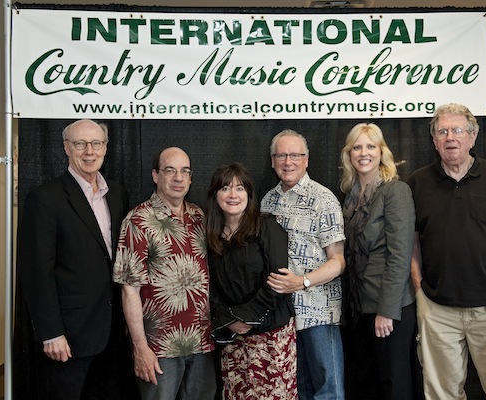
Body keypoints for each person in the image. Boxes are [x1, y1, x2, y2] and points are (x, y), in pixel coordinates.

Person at [408, 103, 486, 400]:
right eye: (443, 131)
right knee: (441, 395)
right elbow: (411, 243)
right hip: (438, 311)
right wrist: (420, 292)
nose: (450, 137)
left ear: (473, 137)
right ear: (434, 141)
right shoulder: (418, 182)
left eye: (458, 130)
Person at [17, 119, 133, 400]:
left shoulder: (117, 194)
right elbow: (36, 273)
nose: (89, 151)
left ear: (106, 148)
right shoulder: (45, 198)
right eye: (80, 143)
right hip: (69, 337)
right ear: (66, 148)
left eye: (96, 143)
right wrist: (51, 332)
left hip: (112, 333)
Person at [113, 147, 216, 400]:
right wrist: (140, 348)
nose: (178, 178)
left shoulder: (199, 216)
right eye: (170, 170)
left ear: (191, 178)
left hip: (202, 343)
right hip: (159, 349)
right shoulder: (138, 221)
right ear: (155, 175)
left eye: (184, 171)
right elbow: (129, 290)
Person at [261, 129, 346, 400]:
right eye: (282, 155)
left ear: (306, 160)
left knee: (328, 390)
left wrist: (302, 281)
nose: (289, 161)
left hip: (318, 312)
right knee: (295, 390)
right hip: (281, 316)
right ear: (272, 161)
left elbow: (339, 261)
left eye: (295, 155)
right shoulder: (267, 202)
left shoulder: (324, 199)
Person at [205, 162, 297, 399]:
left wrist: (246, 317)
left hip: (270, 336)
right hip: (233, 338)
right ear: (215, 195)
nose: (233, 195)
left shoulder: (266, 226)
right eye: (225, 188)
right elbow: (210, 285)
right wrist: (229, 319)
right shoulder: (211, 234)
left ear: (249, 194)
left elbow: (279, 281)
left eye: (240, 188)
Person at [339, 123, 417, 400]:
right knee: (365, 384)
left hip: (388, 307)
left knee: (393, 385)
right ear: (349, 154)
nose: (364, 153)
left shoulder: (395, 192)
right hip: (358, 306)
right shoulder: (350, 196)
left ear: (382, 152)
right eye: (357, 147)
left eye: (371, 146)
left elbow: (400, 255)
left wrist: (387, 310)